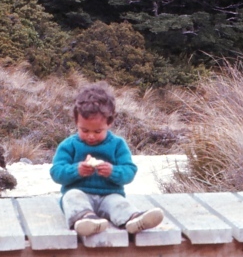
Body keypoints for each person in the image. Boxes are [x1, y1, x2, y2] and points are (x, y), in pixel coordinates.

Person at [49, 83, 164, 236]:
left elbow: (129, 171)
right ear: (76, 122)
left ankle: (133, 219)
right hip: (80, 193)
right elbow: (56, 172)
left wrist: (113, 171)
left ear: (109, 123)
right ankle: (85, 219)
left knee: (119, 203)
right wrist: (77, 170)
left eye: (97, 131)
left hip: (109, 194)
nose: (90, 135)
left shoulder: (117, 144)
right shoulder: (69, 145)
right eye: (84, 130)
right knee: (71, 198)